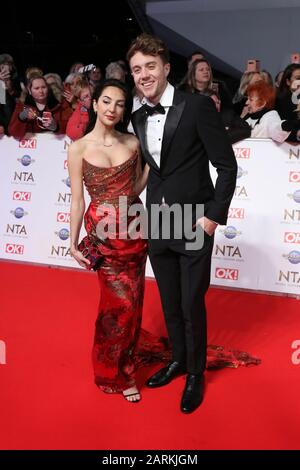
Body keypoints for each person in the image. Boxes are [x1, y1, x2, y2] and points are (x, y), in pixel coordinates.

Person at [128, 33, 238, 414]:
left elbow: (227, 166)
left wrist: (212, 217)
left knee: (192, 302)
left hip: (194, 223)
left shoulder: (197, 107)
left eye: (150, 67)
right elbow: (151, 170)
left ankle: (195, 373)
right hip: (158, 222)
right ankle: (176, 360)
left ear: (167, 68)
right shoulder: (137, 115)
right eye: (137, 69)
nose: (143, 75)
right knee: (171, 301)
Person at [67, 79, 169, 403]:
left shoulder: (133, 143)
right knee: (117, 305)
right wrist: (72, 242)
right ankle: (116, 371)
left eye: (120, 104)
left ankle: (124, 363)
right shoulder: (78, 148)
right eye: (106, 101)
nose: (112, 109)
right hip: (103, 235)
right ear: (95, 104)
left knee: (134, 301)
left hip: (134, 230)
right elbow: (77, 200)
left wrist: (153, 166)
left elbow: (134, 189)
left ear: (125, 109)